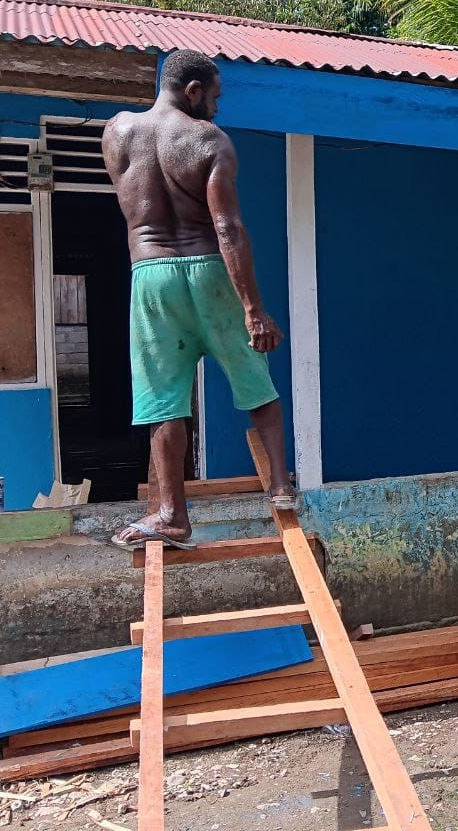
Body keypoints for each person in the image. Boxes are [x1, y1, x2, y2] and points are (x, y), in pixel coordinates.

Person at [103, 49, 294, 550]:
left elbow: (131, 202)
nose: (217, 107)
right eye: (215, 96)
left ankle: (172, 516)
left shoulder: (117, 132)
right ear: (193, 91)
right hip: (209, 269)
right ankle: (280, 488)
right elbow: (228, 227)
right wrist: (254, 309)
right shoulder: (210, 140)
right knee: (256, 382)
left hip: (151, 275)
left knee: (163, 400)